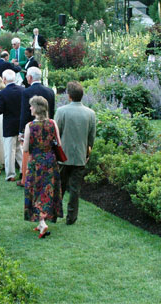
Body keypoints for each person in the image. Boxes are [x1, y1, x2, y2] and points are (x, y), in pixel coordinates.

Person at [55, 82, 96, 226]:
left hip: (63, 156)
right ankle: (71, 218)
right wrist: (87, 151)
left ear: (69, 95)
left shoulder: (61, 111)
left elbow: (56, 133)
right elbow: (91, 137)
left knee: (59, 186)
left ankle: (54, 213)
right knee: (75, 189)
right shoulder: (90, 113)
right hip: (80, 155)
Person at [22, 96, 63, 238]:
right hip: (50, 161)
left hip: (36, 162)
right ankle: (41, 221)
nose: (30, 108)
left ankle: (42, 223)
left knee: (35, 189)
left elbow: (26, 147)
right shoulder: (52, 123)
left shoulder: (30, 126)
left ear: (37, 108)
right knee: (47, 190)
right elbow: (59, 143)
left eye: (31, 106)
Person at [19, 67, 55, 185]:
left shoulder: (26, 92)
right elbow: (52, 111)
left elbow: (24, 113)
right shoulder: (50, 91)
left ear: (30, 77)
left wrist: (21, 131)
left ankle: (27, 177)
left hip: (33, 128)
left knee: (30, 154)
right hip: (47, 124)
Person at [0, 69, 24, 182]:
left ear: (4, 79)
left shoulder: (2, 93)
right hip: (20, 123)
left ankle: (10, 174)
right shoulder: (23, 90)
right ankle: (24, 169)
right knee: (19, 149)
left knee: (9, 151)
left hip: (9, 124)